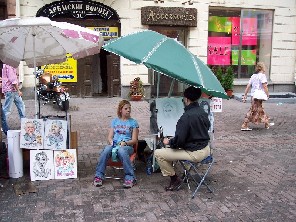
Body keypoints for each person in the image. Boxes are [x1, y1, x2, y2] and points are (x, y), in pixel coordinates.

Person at [154, 86, 211, 191]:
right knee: (174, 148)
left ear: (186, 99)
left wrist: (169, 141)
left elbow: (179, 142)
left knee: (159, 153)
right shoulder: (203, 112)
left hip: (194, 153)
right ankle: (185, 173)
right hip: (206, 149)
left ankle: (175, 179)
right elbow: (203, 129)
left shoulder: (186, 117)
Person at [94, 100, 139, 188]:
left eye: (129, 108)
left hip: (127, 146)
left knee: (121, 150)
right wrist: (112, 142)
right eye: (126, 108)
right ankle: (99, 176)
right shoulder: (115, 121)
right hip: (115, 145)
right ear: (120, 110)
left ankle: (130, 177)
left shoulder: (133, 122)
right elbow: (110, 137)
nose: (128, 110)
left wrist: (125, 143)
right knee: (106, 149)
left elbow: (134, 140)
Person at [241, 62, 273, 131]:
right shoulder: (262, 76)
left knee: (259, 109)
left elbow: (248, 86)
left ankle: (266, 123)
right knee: (253, 110)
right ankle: (244, 124)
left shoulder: (253, 76)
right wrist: (267, 94)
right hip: (259, 96)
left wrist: (245, 95)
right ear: (262, 68)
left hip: (253, 95)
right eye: (264, 67)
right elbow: (264, 86)